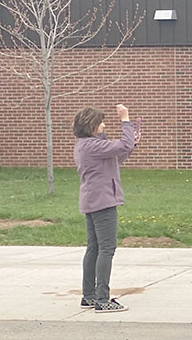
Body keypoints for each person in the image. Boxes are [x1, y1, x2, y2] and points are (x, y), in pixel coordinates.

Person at [73, 104, 137, 313]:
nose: (104, 125)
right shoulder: (92, 145)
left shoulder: (86, 145)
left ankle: (89, 296)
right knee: (106, 249)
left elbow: (116, 156)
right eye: (101, 122)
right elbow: (122, 145)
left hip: (92, 201)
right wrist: (125, 119)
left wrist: (131, 144)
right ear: (91, 125)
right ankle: (102, 299)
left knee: (94, 248)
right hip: (103, 203)